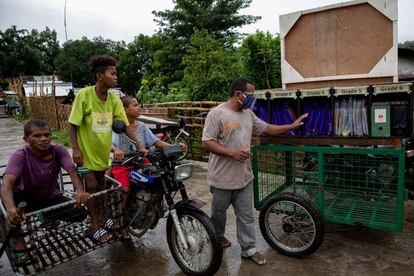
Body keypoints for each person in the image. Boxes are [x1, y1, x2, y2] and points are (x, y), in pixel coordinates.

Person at [202, 77, 308, 265]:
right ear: (238, 94)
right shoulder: (216, 114)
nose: (253, 98)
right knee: (218, 215)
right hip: (221, 179)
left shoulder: (248, 114)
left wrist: (290, 126)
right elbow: (207, 142)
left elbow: (268, 128)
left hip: (244, 178)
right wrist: (232, 153)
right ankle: (217, 236)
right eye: (250, 94)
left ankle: (249, 249)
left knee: (246, 217)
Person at [68, 55, 145, 243]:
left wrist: (138, 145)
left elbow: (124, 124)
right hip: (85, 154)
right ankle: (94, 226)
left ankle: (102, 219)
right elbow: (72, 124)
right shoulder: (84, 95)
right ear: (99, 76)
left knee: (102, 188)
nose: (116, 76)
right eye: (112, 73)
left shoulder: (114, 99)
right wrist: (75, 149)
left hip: (103, 154)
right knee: (92, 187)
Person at [0, 119, 89, 263]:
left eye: (46, 135)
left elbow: (72, 171)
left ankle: (47, 215)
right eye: (37, 136)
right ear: (26, 139)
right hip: (25, 199)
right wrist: (11, 209)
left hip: (49, 197)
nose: (43, 139)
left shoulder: (58, 150)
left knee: (80, 213)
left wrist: (80, 190)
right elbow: (6, 184)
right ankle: (19, 240)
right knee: (9, 202)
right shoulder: (20, 155)